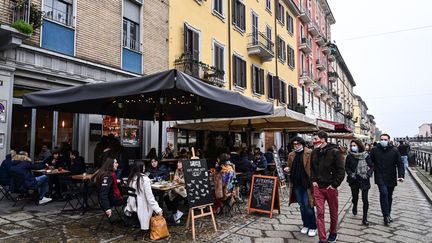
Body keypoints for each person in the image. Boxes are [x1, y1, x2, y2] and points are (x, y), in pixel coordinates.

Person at [310, 131, 345, 243]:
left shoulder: (335, 152)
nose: (313, 141)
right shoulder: (314, 152)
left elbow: (341, 170)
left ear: (323, 139)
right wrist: (313, 180)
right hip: (318, 188)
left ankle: (333, 232)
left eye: (315, 139)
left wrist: (334, 185)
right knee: (319, 213)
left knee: (333, 212)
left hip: (330, 187)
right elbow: (312, 168)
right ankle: (322, 239)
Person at [284, 137, 317, 237]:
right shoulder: (291, 154)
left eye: (298, 144)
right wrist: (287, 168)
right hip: (296, 184)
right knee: (302, 206)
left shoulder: (310, 153)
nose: (296, 146)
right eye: (294, 144)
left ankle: (313, 226)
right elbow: (290, 166)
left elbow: (314, 167)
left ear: (302, 143)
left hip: (306, 183)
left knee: (308, 205)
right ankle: (305, 225)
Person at [370, 133, 404, 226]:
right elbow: (370, 161)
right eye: (382, 139)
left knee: (389, 196)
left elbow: (400, 164)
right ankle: (385, 216)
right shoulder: (375, 150)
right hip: (380, 175)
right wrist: (370, 171)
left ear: (389, 140)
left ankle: (388, 213)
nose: (383, 141)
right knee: (383, 194)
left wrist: (401, 175)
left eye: (385, 139)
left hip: (391, 176)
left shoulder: (394, 150)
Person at [125, 160, 162, 231]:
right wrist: (158, 209)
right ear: (142, 168)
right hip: (141, 207)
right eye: (144, 166)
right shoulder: (145, 179)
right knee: (153, 201)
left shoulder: (131, 178)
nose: (144, 168)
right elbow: (150, 198)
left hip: (132, 205)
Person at [345, 139, 373, 226]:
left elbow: (371, 166)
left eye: (354, 145)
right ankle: (355, 205)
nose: (353, 147)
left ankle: (365, 218)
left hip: (364, 179)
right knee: (355, 197)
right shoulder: (350, 156)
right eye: (352, 145)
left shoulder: (366, 155)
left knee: (365, 199)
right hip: (354, 180)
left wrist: (368, 174)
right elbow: (347, 167)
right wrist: (350, 174)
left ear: (359, 146)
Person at [164, 159, 187, 223]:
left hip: (185, 191)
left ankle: (176, 214)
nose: (178, 164)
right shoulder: (177, 170)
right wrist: (178, 181)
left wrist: (179, 180)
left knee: (175, 199)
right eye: (178, 163)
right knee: (166, 197)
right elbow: (174, 180)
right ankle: (176, 213)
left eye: (179, 163)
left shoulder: (187, 171)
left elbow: (187, 181)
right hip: (178, 189)